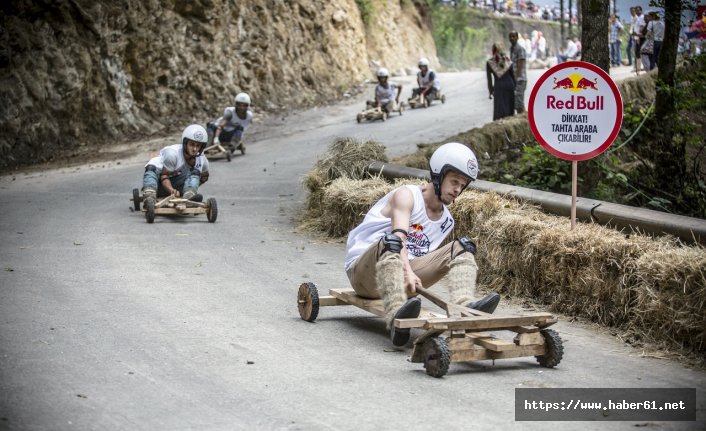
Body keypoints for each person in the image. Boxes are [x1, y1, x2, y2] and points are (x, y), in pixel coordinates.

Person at [344, 143, 501, 346]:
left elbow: (423, 257)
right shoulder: (407, 196)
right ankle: (395, 316)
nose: (457, 190)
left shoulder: (447, 221)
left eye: (462, 185)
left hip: (401, 278)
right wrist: (408, 271)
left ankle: (467, 307)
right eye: (454, 181)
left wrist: (410, 273)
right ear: (438, 175)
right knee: (392, 241)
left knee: (463, 246)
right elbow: (399, 236)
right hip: (364, 274)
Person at [142, 124, 210, 203]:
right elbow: (164, 175)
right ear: (185, 144)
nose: (195, 149)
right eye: (192, 144)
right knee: (151, 168)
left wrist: (191, 187)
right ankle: (149, 195)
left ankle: (189, 196)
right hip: (158, 182)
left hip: (176, 184)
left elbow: (205, 176)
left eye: (198, 146)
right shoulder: (172, 154)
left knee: (195, 173)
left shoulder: (202, 159)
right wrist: (171, 190)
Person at [486, 42, 515, 121]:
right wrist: (514, 88)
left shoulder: (490, 63)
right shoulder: (508, 61)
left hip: (499, 87)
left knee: (499, 112)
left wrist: (491, 91)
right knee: (509, 110)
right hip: (510, 85)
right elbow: (513, 76)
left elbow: (489, 80)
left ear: (493, 50)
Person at [509, 31, 527, 115]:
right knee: (517, 103)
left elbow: (520, 64)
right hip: (514, 79)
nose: (511, 38)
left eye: (513, 36)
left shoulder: (520, 49)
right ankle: (523, 120)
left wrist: (516, 78)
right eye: (510, 37)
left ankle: (525, 121)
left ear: (517, 37)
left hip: (520, 79)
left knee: (519, 102)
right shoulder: (511, 49)